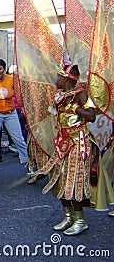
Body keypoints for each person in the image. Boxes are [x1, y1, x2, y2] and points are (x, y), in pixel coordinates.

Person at [34, 64, 98, 236]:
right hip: (62, 142)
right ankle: (68, 216)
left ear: (65, 79)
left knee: (74, 180)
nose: (56, 80)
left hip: (78, 143)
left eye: (58, 77)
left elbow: (92, 116)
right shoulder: (60, 96)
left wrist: (75, 108)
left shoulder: (80, 94)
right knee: (60, 178)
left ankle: (80, 220)